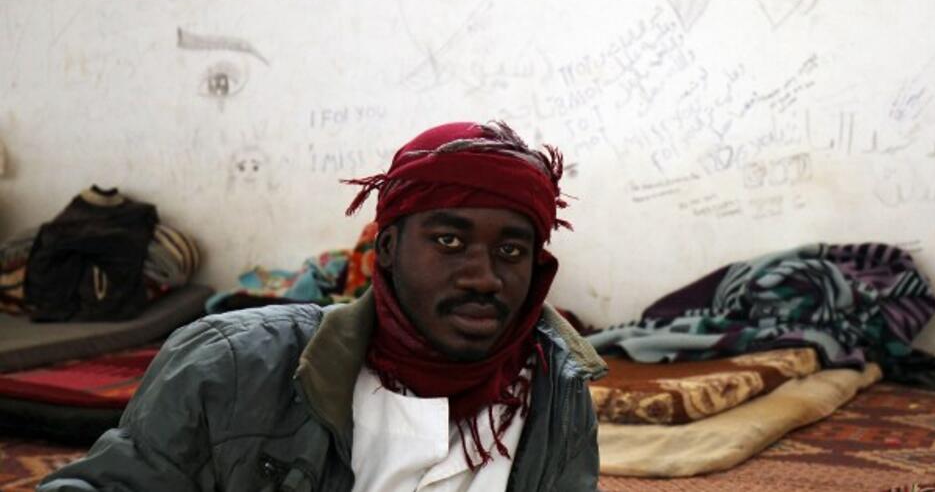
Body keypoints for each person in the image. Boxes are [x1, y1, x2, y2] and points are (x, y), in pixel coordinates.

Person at [40, 121, 607, 492]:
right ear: (386, 250)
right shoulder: (233, 366)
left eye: (511, 250)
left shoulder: (556, 388)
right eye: (449, 241)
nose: (485, 277)